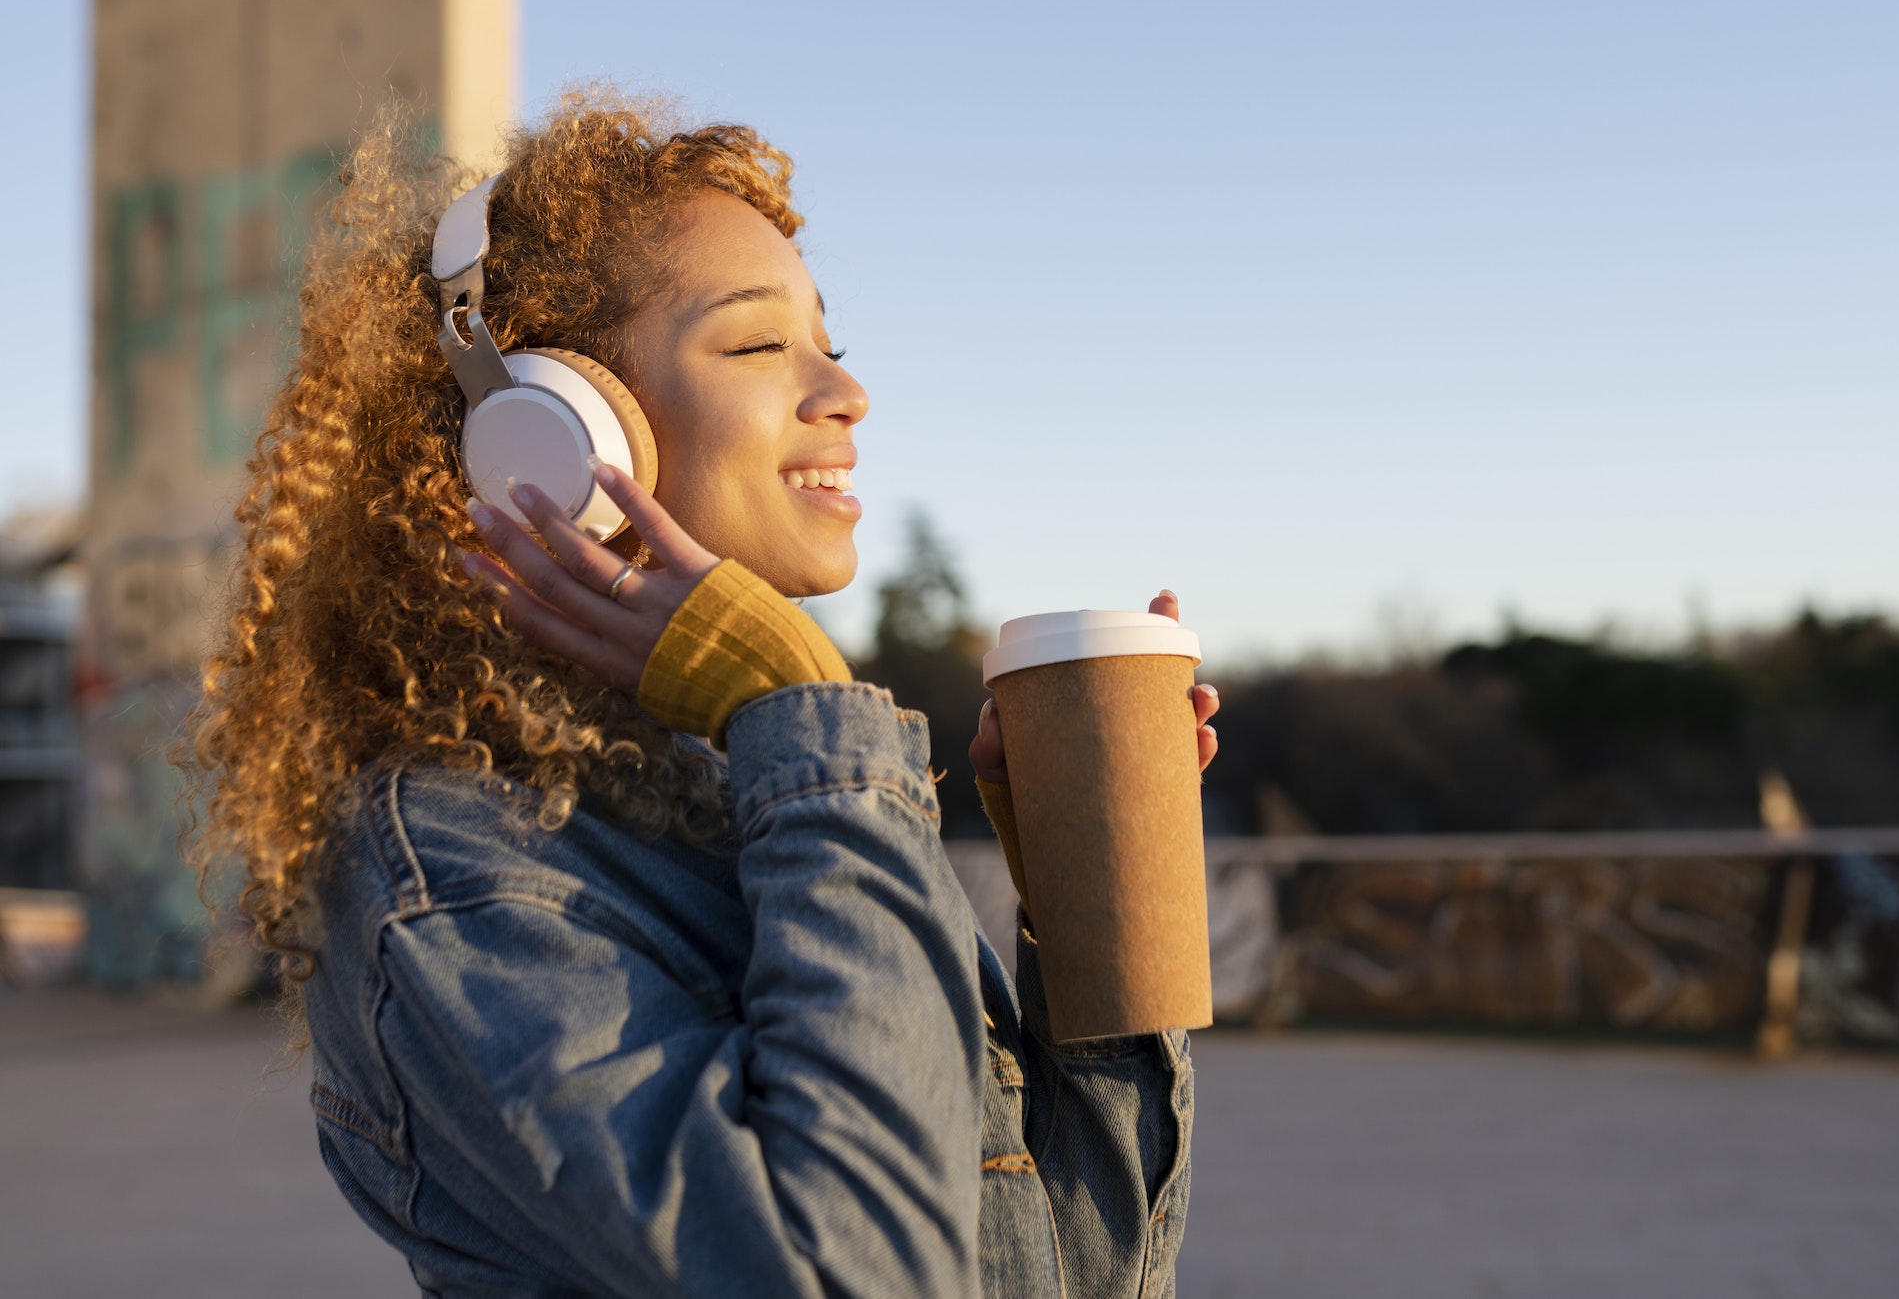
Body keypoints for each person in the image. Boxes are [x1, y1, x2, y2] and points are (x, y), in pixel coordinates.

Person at [186, 89, 1220, 1298]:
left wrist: (1080, 890)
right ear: (548, 433)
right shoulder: (451, 868)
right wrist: (807, 716)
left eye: (831, 339)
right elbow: (856, 1271)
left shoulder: (759, 792)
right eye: (752, 343)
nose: (845, 390)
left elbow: (1076, 1270)